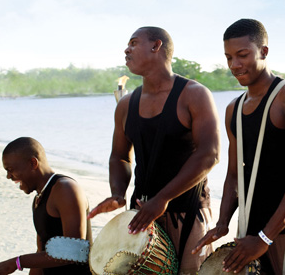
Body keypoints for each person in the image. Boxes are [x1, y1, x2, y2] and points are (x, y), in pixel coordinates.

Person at [88, 26, 220, 274]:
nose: (126, 49)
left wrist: (162, 199)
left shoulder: (194, 94)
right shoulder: (126, 104)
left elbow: (209, 154)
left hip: (187, 213)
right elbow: (119, 156)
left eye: (134, 43)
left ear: (156, 45)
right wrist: (117, 193)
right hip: (141, 214)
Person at [192, 18, 285, 274]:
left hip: (284, 234)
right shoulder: (233, 109)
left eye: (242, 55)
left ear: (264, 51)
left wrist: (265, 238)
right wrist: (223, 222)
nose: (235, 65)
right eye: (228, 58)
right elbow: (234, 174)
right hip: (247, 235)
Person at [0, 137, 92, 275]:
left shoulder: (65, 189)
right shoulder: (39, 198)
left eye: (10, 170)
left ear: (33, 163)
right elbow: (41, 252)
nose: (8, 176)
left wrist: (16, 262)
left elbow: (75, 250)